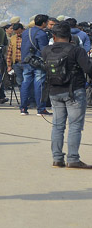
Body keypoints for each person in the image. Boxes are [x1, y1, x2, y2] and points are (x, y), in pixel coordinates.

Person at [41, 23, 92, 169]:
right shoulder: (76, 50)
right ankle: (73, 158)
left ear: (53, 36)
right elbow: (88, 68)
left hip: (54, 91)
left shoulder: (46, 51)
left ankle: (57, 158)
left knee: (58, 126)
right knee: (75, 126)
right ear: (70, 36)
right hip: (74, 91)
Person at [20, 14, 51, 116]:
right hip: (38, 61)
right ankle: (41, 109)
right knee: (39, 84)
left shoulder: (25, 32)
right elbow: (44, 50)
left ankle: (23, 108)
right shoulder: (41, 34)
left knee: (25, 83)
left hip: (26, 61)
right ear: (43, 23)